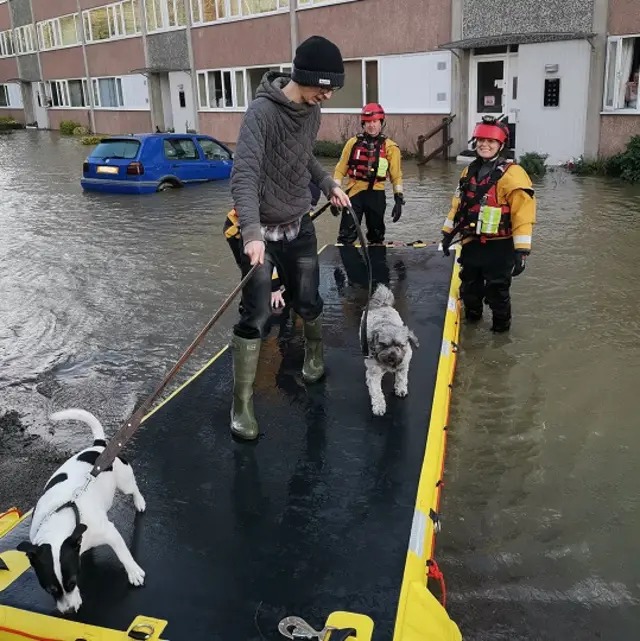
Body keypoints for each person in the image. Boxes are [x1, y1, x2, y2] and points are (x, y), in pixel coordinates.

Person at [228, 35, 351, 441]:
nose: (327, 95)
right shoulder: (261, 113)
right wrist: (251, 233)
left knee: (310, 299)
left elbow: (303, 157)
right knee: (257, 314)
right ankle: (242, 402)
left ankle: (314, 354)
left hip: (299, 224)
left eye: (332, 89)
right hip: (260, 232)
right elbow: (243, 175)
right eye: (324, 87)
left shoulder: (312, 112)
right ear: (303, 77)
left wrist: (328, 183)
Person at [441, 115, 536, 333]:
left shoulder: (515, 176)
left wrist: (521, 252)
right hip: (471, 242)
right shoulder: (469, 172)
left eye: (491, 141)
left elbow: (523, 215)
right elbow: (458, 206)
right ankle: (471, 329)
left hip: (499, 247)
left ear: (501, 145)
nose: (485, 145)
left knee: (497, 293)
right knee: (469, 289)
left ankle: (500, 335)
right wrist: (447, 234)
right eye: (481, 140)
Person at [333, 103, 404, 246]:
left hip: (376, 195)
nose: (371, 125)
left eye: (375, 122)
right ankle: (345, 263)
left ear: (381, 123)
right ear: (363, 124)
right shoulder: (352, 143)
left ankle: (376, 263)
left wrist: (398, 198)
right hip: (353, 193)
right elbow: (340, 170)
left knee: (376, 236)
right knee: (346, 235)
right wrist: (335, 192)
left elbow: (396, 176)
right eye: (368, 122)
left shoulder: (391, 147)